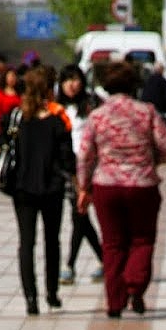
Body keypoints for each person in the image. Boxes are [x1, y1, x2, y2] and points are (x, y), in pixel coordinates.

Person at [77, 60, 166, 319]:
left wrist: (83, 187)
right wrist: (154, 160)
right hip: (142, 185)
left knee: (112, 244)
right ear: (134, 85)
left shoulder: (97, 116)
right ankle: (135, 286)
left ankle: (114, 302)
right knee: (142, 240)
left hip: (106, 186)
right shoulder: (147, 112)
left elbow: (85, 155)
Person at [0, 66, 76, 315]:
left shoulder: (15, 117)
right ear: (48, 90)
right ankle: (51, 293)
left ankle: (31, 298)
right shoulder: (57, 120)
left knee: (26, 243)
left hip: (22, 189)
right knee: (53, 241)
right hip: (52, 189)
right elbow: (67, 159)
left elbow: (2, 145)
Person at [56, 64, 103, 285]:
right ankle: (104, 260)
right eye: (67, 80)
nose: (71, 85)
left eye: (75, 79)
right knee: (80, 215)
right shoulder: (57, 107)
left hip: (89, 166)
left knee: (79, 214)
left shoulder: (92, 104)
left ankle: (70, 265)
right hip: (67, 168)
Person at [0, 66, 21, 131]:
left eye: (14, 76)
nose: (12, 79)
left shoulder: (19, 93)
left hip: (17, 125)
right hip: (4, 126)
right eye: (10, 76)